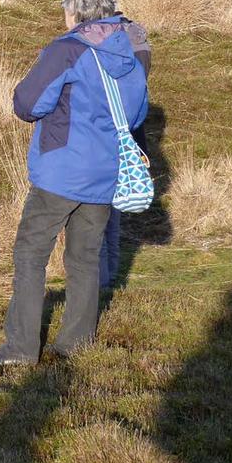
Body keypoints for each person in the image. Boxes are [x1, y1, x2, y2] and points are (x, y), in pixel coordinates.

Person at [0, 0, 149, 366]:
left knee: (30, 254)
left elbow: (27, 103)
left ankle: (20, 348)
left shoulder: (67, 50)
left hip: (61, 171)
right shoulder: (130, 49)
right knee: (85, 258)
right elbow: (137, 113)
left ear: (73, 9)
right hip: (105, 175)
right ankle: (76, 343)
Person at [99, 18, 152, 289]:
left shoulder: (101, 41)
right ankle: (109, 280)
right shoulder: (137, 38)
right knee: (113, 220)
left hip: (103, 141)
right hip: (130, 140)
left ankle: (102, 284)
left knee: (99, 221)